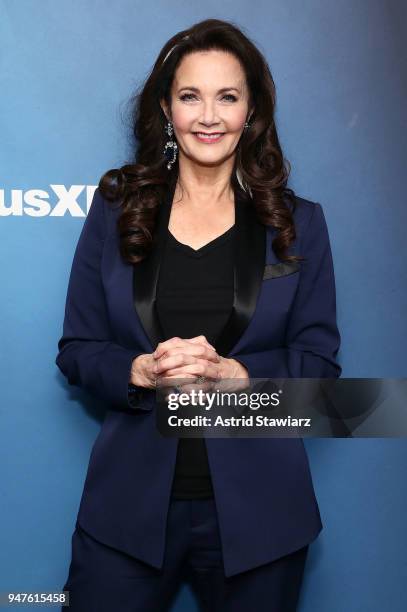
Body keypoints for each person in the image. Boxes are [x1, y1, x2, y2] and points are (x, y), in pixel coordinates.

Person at [56, 18, 341, 612]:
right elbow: (78, 349)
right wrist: (137, 371)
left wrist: (234, 377)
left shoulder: (297, 223)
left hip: (263, 518)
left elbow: (320, 371)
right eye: (190, 96)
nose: (208, 116)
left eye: (227, 97)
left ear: (251, 110)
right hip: (127, 514)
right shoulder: (115, 214)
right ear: (166, 107)